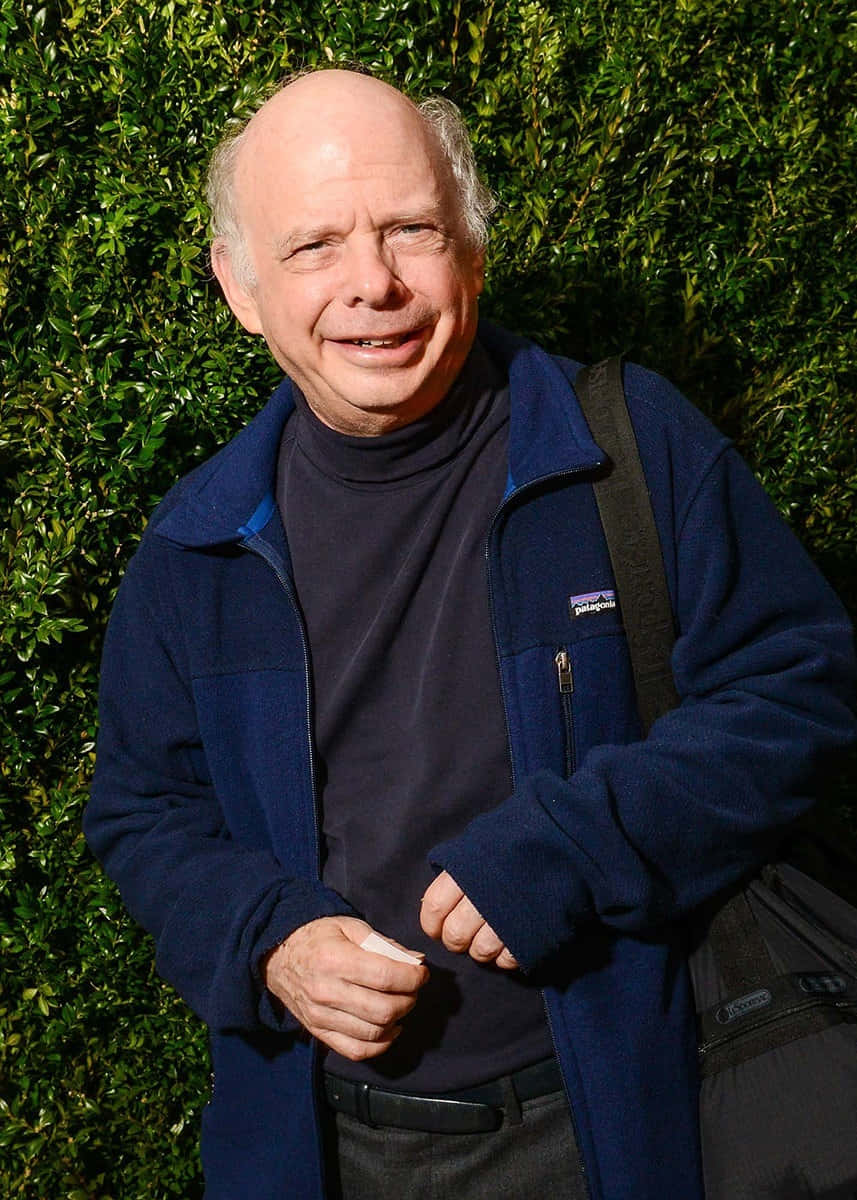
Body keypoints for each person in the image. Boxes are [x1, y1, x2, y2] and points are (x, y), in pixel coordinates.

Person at [84, 68, 856, 1200]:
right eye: (312, 247)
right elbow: (144, 811)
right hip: (320, 1147)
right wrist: (266, 937)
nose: (372, 285)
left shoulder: (623, 448)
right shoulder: (197, 549)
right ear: (238, 287)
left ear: (472, 252)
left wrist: (579, 845)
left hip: (617, 1123)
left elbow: (801, 687)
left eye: (410, 229)